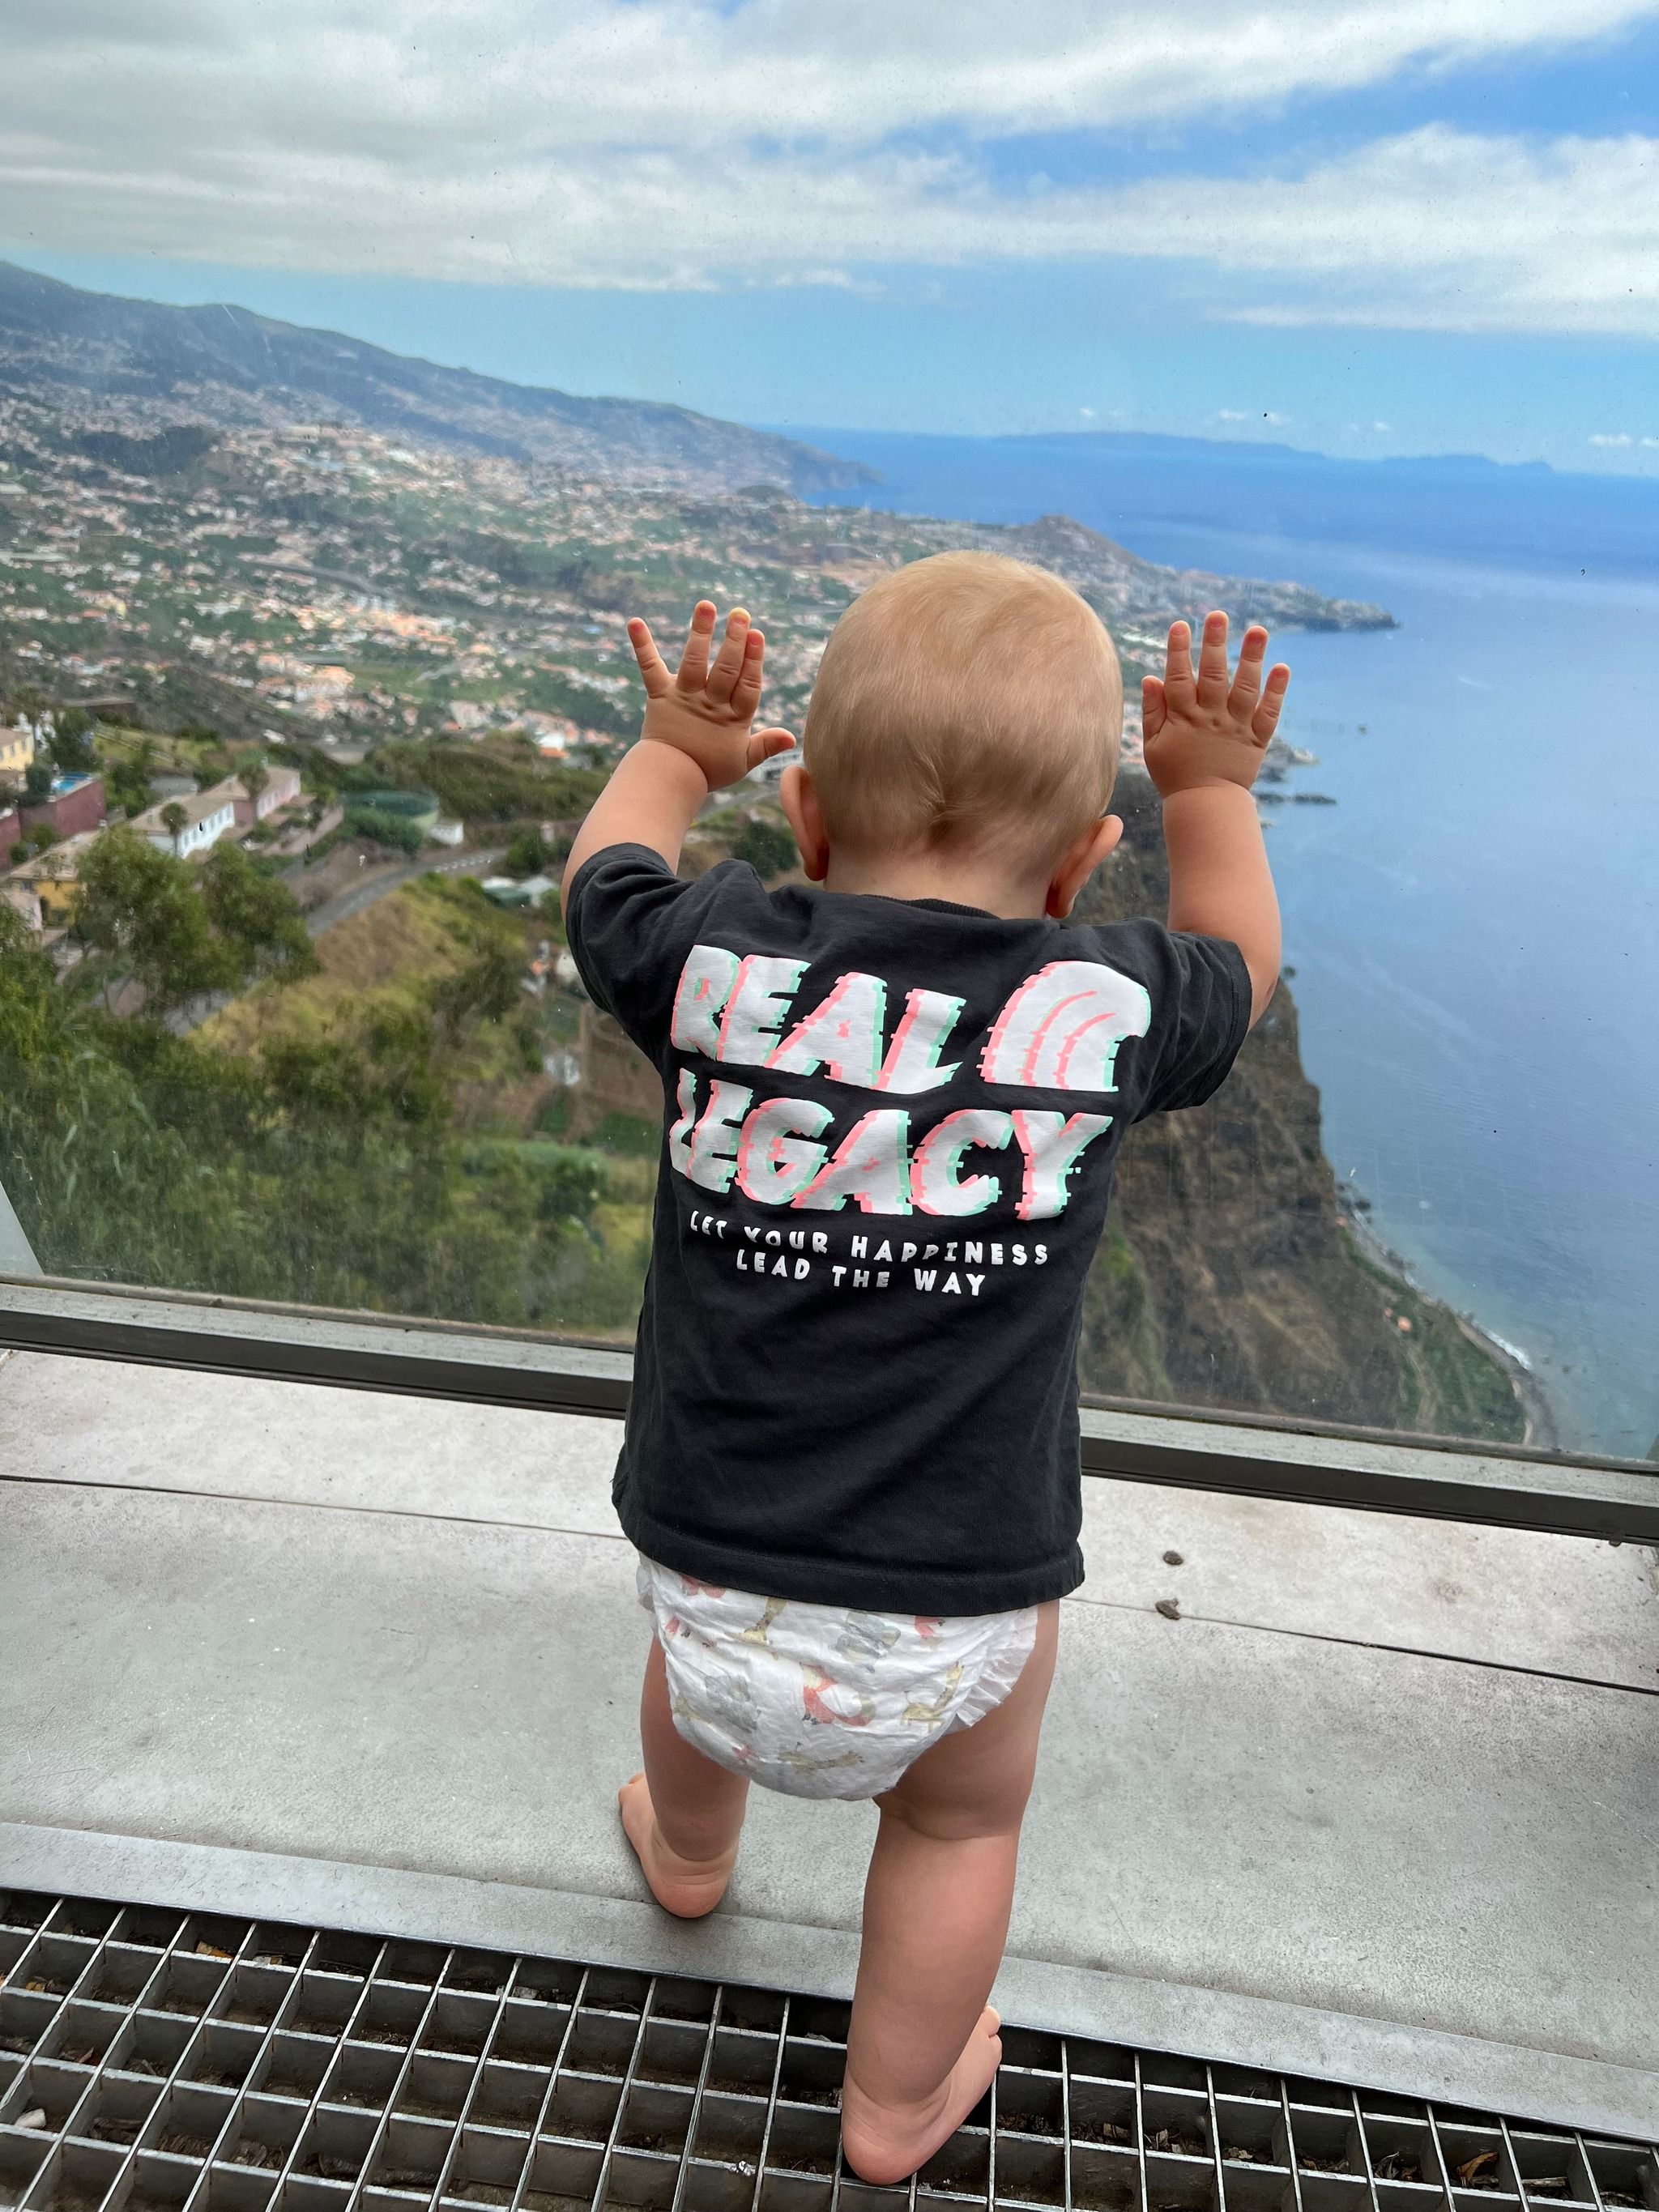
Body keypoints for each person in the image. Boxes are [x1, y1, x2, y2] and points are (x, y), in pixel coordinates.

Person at [561, 552, 1288, 2184]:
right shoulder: (1101, 1003)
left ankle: (689, 1857)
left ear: (808, 819)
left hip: (706, 1564)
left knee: (689, 1695)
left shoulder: (711, 958)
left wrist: (676, 748)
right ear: (1082, 863)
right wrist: (1210, 790)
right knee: (960, 1822)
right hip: (958, 1602)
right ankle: (891, 2110)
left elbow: (604, 877)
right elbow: (1239, 965)